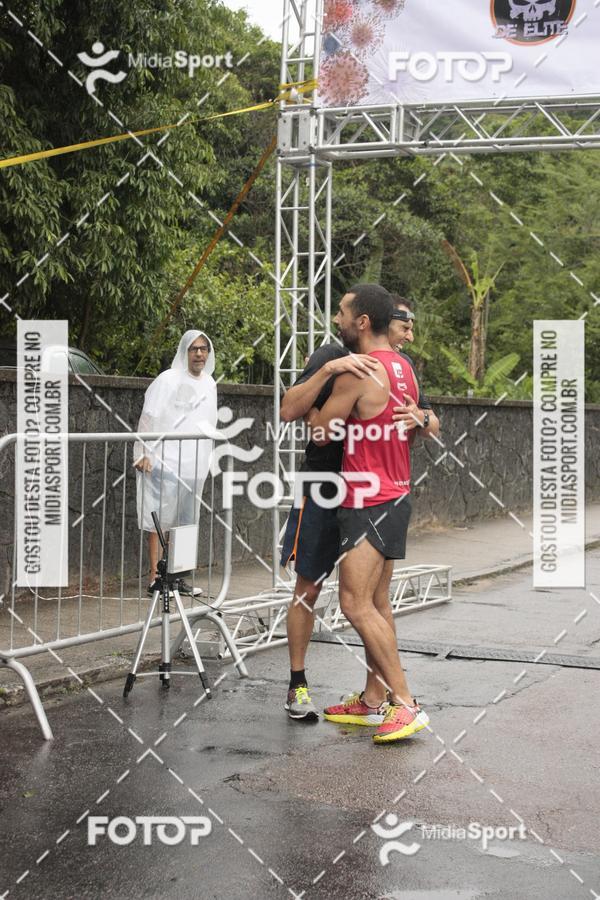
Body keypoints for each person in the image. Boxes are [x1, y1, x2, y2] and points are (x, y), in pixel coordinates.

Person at [280, 292, 439, 721]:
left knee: (357, 603)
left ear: (364, 321)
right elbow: (287, 408)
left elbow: (320, 432)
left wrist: (420, 419)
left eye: (343, 312)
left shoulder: (374, 368)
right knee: (318, 590)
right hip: (366, 490)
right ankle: (353, 694)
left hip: (363, 496)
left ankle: (403, 702)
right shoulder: (347, 359)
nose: (337, 318)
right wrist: (329, 373)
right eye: (405, 325)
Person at [133, 330, 217, 596]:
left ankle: (177, 578)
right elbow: (149, 416)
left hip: (194, 467)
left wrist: (208, 460)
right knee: (159, 521)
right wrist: (144, 451)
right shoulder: (167, 380)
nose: (200, 354)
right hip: (165, 463)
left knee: (186, 523)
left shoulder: (209, 384)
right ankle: (155, 578)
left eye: (204, 348)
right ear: (185, 352)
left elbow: (209, 424)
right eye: (194, 349)